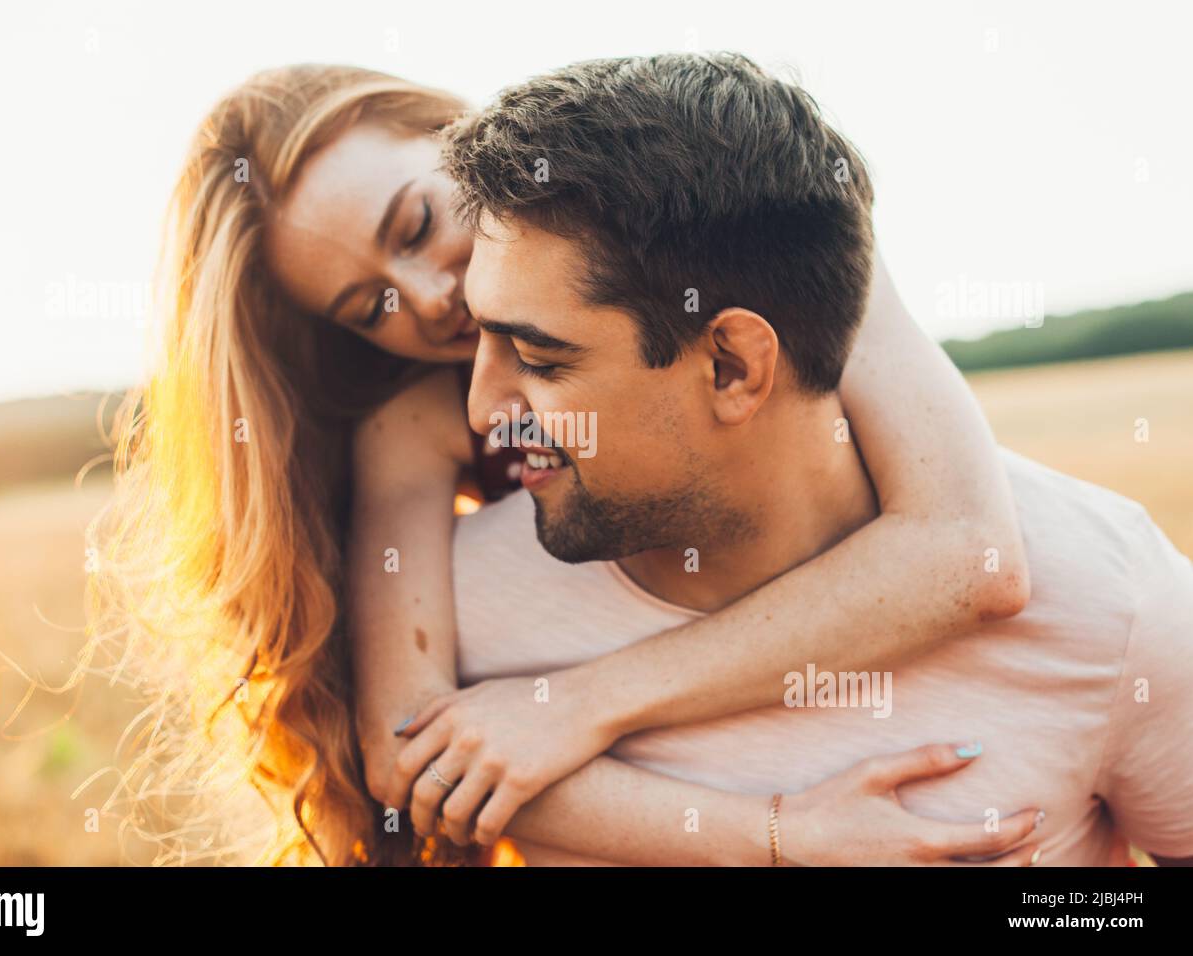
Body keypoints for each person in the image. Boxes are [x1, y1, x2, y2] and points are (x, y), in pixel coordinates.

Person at [89, 61, 1038, 866]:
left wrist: (582, 705)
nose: (429, 298)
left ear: (452, 134)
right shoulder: (417, 419)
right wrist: (778, 836)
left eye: (418, 225)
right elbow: (407, 752)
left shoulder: (727, 225)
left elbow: (969, 552)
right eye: (368, 306)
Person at [405, 51, 1193, 866]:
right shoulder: (460, 616)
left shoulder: (1112, 596)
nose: (481, 412)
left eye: (539, 359)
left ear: (733, 367)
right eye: (482, 339)